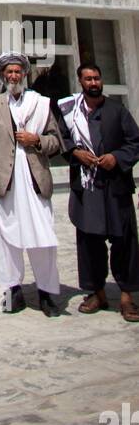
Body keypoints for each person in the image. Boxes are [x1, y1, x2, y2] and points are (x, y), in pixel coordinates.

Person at [0, 53, 64, 316]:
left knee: (42, 238)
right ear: (3, 75)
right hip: (6, 183)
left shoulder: (39, 103)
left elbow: (56, 141)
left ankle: (47, 294)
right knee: (5, 240)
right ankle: (11, 294)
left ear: (24, 74)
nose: (13, 76)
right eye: (9, 72)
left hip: (34, 180)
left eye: (18, 71)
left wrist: (35, 139)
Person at [62, 62, 139, 322]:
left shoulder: (117, 111)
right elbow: (61, 139)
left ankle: (127, 295)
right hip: (87, 189)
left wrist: (116, 158)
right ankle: (97, 293)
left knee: (125, 242)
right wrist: (75, 153)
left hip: (116, 187)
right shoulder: (70, 113)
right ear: (80, 82)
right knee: (89, 243)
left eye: (97, 78)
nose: (93, 83)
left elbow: (134, 143)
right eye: (88, 79)